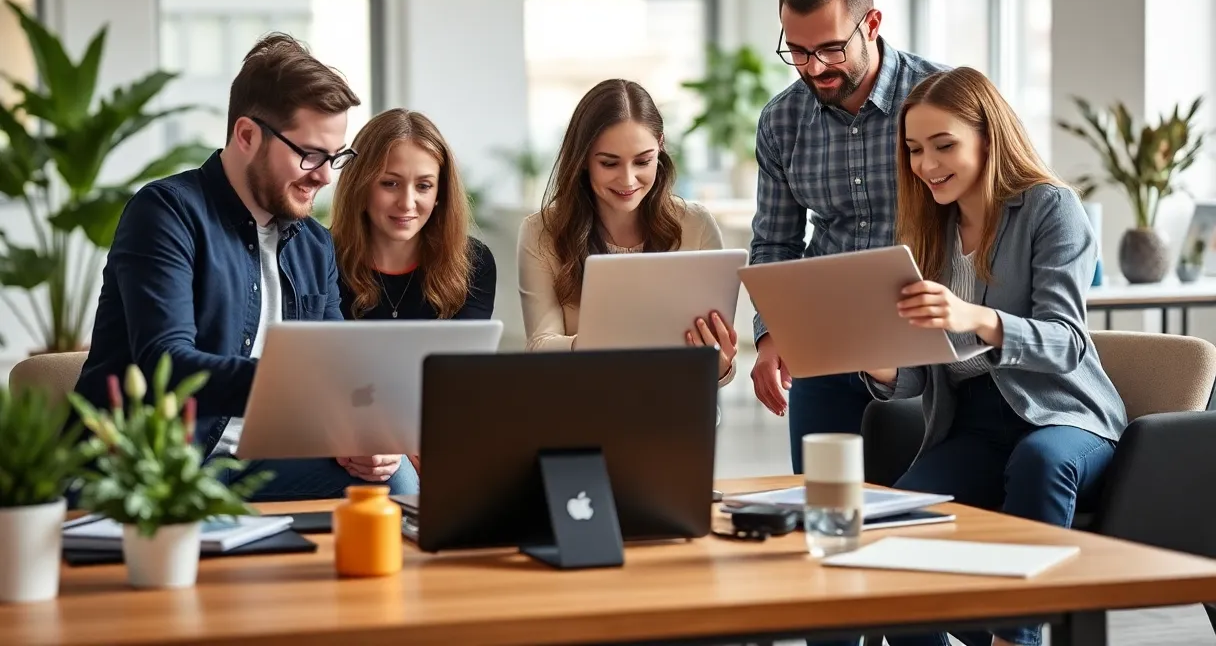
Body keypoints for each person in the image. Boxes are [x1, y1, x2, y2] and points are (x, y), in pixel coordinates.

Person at [72, 33, 417, 499]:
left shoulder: (314, 244)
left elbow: (338, 367)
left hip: (266, 465)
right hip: (157, 465)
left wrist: (365, 434)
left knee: (391, 477)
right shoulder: (166, 213)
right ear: (247, 135)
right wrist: (299, 387)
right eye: (310, 154)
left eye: (335, 157)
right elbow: (167, 364)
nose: (324, 175)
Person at [864, 66, 1126, 646]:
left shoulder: (1049, 209)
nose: (926, 166)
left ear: (989, 136)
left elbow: (1067, 342)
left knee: (1039, 462)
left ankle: (1016, 638)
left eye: (943, 145)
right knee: (896, 524)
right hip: (972, 422)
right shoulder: (927, 229)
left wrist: (973, 317)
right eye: (913, 150)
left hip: (1063, 414)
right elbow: (913, 380)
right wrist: (869, 357)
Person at [749, 0, 948, 471]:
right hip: (826, 344)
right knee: (823, 503)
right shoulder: (782, 121)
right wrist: (771, 335)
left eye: (831, 49)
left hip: (929, 346)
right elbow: (776, 243)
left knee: (922, 511)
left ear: (872, 24)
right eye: (797, 51)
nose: (814, 68)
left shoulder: (941, 101)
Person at [517, 78, 739, 386]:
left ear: (660, 147)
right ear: (583, 159)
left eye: (643, 161)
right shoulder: (541, 232)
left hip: (676, 410)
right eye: (609, 163)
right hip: (582, 411)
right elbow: (540, 347)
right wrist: (608, 338)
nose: (628, 179)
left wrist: (720, 364)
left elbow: (719, 373)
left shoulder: (696, 225)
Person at [329, 108, 496, 481]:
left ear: (440, 193)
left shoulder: (475, 263)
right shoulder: (320, 256)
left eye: (423, 185)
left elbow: (458, 381)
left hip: (438, 428)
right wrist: (399, 442)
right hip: (350, 432)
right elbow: (326, 379)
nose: (407, 203)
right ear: (361, 185)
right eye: (390, 183)